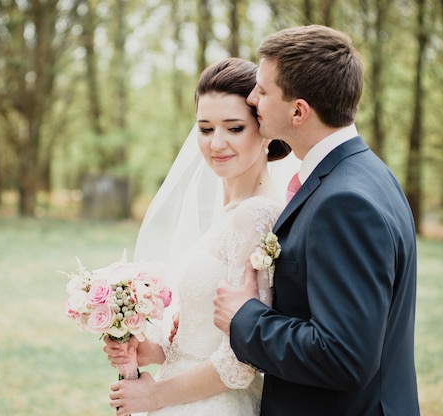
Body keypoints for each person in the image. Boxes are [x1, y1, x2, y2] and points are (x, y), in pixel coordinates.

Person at [213, 25, 421, 415]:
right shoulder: (368, 173)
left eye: (263, 89)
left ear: (298, 110)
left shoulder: (343, 203)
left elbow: (344, 356)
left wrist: (245, 317)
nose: (252, 98)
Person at [104, 57, 300, 416]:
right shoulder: (226, 213)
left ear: (265, 129)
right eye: (206, 128)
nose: (217, 143)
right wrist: (149, 348)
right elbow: (200, 333)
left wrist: (155, 396)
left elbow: (241, 361)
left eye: (234, 128)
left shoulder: (256, 216)